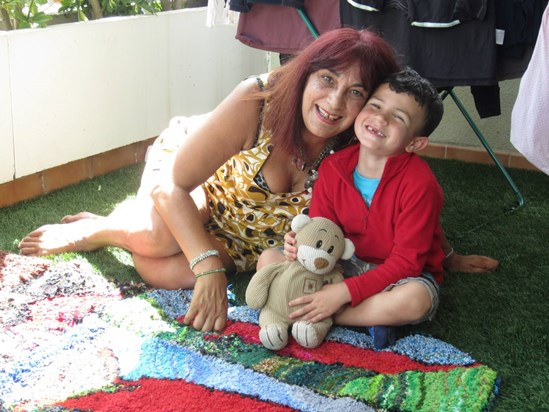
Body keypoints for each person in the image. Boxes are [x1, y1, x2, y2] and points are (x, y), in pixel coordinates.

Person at [18, 29, 496, 334]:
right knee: (159, 236)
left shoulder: (359, 143)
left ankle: (140, 234)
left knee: (168, 273)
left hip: (249, 239)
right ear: (306, 72)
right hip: (200, 184)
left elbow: (397, 204)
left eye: (355, 93)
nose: (334, 102)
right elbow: (174, 186)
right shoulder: (260, 101)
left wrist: (445, 256)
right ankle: (104, 228)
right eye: (327, 79)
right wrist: (208, 268)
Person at [258, 68, 449, 349]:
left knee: (416, 301)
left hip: (398, 274)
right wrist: (300, 244)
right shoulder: (334, 168)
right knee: (268, 259)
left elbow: (407, 262)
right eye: (375, 105)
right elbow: (322, 227)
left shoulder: (420, 184)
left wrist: (341, 293)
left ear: (414, 143)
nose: (380, 118)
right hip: (343, 263)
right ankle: (354, 314)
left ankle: (326, 314)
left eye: (398, 117)